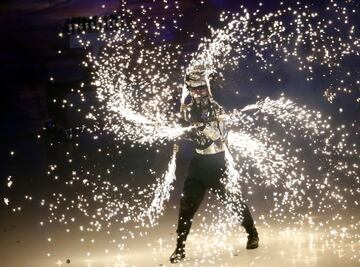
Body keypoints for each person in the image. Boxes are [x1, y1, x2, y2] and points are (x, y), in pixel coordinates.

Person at [169, 66, 259, 263]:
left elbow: (220, 137)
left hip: (218, 163)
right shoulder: (187, 109)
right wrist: (178, 136)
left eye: (202, 88)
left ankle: (252, 233)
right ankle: (180, 248)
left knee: (234, 203)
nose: (199, 92)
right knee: (186, 206)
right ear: (190, 90)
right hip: (199, 163)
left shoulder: (216, 108)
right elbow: (181, 131)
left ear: (207, 88)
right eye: (195, 89)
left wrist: (200, 125)